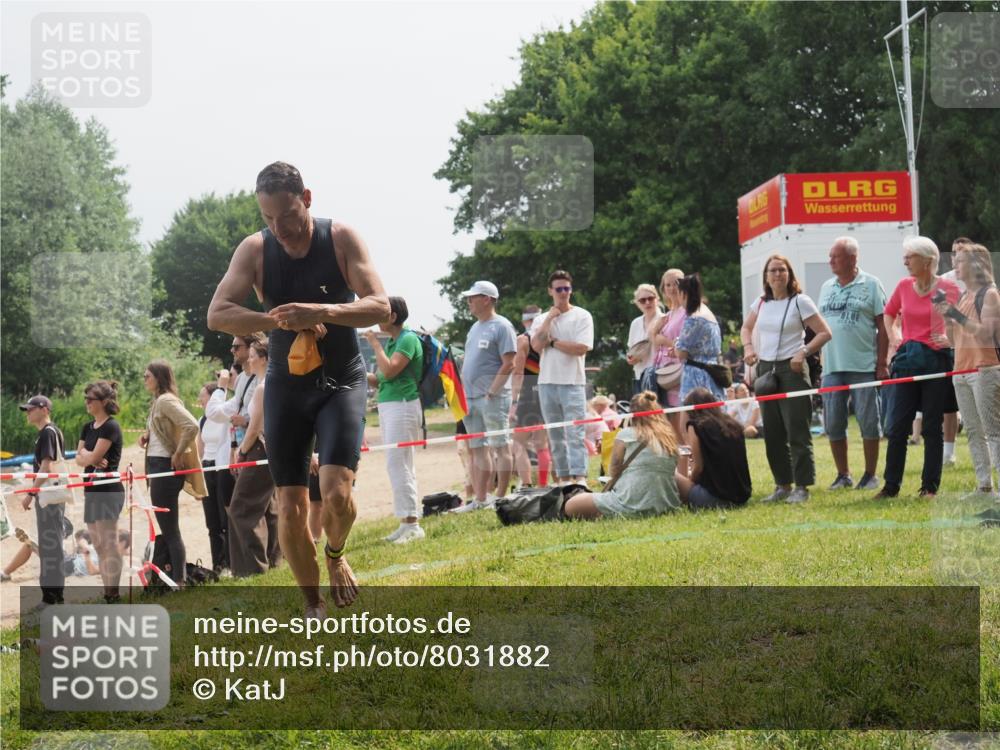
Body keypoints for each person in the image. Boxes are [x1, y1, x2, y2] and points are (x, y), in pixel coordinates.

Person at [208, 161, 390, 615]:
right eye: (268, 218)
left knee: (336, 493)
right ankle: (313, 603)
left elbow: (378, 306)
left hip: (340, 380)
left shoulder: (341, 238)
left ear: (307, 198)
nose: (279, 228)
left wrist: (319, 311)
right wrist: (275, 320)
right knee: (288, 503)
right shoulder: (255, 250)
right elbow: (219, 313)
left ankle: (335, 554)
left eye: (287, 215)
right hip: (288, 387)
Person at [741, 254, 832, 503]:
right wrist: (749, 348)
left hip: (792, 370)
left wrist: (802, 352)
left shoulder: (800, 301)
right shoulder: (760, 303)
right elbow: (746, 327)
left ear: (790, 274)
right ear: (766, 277)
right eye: (772, 271)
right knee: (772, 431)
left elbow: (825, 333)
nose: (777, 274)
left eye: (782, 270)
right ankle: (782, 485)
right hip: (766, 371)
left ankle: (802, 487)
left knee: (797, 431)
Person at [877, 236, 963, 498]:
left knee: (931, 427)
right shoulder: (904, 286)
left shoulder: (946, 289)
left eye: (910, 256)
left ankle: (929, 488)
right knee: (898, 426)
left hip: (935, 362)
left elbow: (963, 321)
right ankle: (891, 487)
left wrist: (951, 339)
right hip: (907, 362)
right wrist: (894, 337)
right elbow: (888, 313)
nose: (905, 261)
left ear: (928, 261)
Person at [816, 237, 889, 491]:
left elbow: (884, 326)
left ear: (852, 259)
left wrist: (882, 362)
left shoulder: (871, 284)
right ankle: (843, 475)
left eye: (836, 256)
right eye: (830, 256)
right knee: (833, 422)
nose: (831, 261)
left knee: (869, 421)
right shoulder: (826, 287)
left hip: (863, 366)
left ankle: (870, 475)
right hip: (832, 367)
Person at [937, 242, 1000, 493]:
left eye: (960, 261)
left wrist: (956, 315)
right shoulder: (964, 296)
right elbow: (953, 341)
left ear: (976, 265)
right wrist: (947, 318)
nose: (954, 265)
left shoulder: (990, 294)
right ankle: (984, 486)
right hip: (961, 371)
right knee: (974, 432)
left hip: (984, 370)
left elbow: (986, 335)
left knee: (993, 432)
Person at [362, 296, 426, 541]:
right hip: (390, 405)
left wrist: (374, 344)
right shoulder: (393, 342)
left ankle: (412, 524)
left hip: (403, 404)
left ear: (393, 317)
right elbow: (379, 379)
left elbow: (390, 370)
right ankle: (405, 520)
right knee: (396, 463)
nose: (377, 320)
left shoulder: (408, 339)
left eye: (382, 314)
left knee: (399, 463)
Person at [139, 360, 207, 587]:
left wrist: (178, 453)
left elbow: (191, 425)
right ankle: (178, 577)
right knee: (169, 528)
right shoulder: (159, 401)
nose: (144, 379)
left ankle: (180, 579)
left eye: (147, 376)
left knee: (170, 529)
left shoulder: (165, 400)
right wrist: (149, 436)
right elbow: (166, 427)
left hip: (164, 468)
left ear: (159, 377)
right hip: (158, 466)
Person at [563, 391, 681, 519]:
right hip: (667, 505)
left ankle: (605, 512)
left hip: (629, 503)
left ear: (631, 414)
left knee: (571, 505)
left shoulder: (626, 434)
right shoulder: (669, 437)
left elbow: (613, 471)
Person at [455, 281, 517, 510]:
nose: (469, 301)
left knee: (501, 446)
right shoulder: (474, 328)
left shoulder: (502, 326)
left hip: (492, 397)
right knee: (478, 448)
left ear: (487, 299)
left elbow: (509, 363)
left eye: (473, 297)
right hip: (470, 397)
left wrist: (493, 390)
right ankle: (481, 499)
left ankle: (500, 497)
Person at [531, 270, 595, 486]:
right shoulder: (541, 319)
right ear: (550, 291)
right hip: (547, 383)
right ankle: (564, 480)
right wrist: (550, 317)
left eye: (567, 288)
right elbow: (536, 345)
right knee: (555, 436)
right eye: (558, 289)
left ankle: (580, 479)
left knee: (575, 433)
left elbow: (581, 348)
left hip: (573, 383)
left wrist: (554, 342)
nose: (563, 293)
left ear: (571, 290)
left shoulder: (582, 315)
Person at [229, 337, 282, 576]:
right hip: (269, 448)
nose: (248, 360)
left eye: (252, 356)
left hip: (259, 447)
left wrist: (241, 451)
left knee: (242, 507)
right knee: (269, 507)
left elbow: (255, 426)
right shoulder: (269, 383)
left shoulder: (263, 387)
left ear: (264, 358)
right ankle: (273, 561)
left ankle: (253, 568)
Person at [74, 380, 126, 602]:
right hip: (91, 490)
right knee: (97, 544)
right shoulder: (88, 427)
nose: (86, 402)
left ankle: (112, 593)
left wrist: (88, 455)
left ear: (104, 402)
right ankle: (108, 591)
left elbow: (92, 457)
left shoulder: (111, 426)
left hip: (108, 489)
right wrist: (88, 455)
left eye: (90, 399)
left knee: (108, 543)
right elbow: (79, 459)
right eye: (85, 398)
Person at [17, 395, 66, 605]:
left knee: (50, 546)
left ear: (44, 409)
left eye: (31, 409)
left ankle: (52, 598)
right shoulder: (47, 433)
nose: (28, 412)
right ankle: (52, 596)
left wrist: (31, 493)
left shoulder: (48, 432)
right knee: (50, 546)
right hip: (49, 497)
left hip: (49, 497)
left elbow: (46, 467)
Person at [675, 388, 752, 508]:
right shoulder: (733, 424)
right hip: (742, 496)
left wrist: (690, 481)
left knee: (673, 476)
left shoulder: (696, 426)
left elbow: (698, 468)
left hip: (715, 498)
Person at [510, 305, 552, 489]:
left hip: (528, 393)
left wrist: (513, 402)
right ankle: (543, 485)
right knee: (542, 445)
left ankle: (527, 485)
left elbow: (518, 372)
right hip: (546, 390)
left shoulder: (523, 340)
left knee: (519, 444)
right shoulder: (548, 337)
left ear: (524, 320)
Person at [674, 274, 725, 402]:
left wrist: (676, 344)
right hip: (713, 373)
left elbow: (681, 353)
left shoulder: (693, 318)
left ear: (683, 294)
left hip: (696, 378)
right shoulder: (707, 312)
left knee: (690, 419)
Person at [196, 382, 230, 573]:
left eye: (203, 396)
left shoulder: (225, 417)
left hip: (222, 468)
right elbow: (199, 450)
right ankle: (218, 564)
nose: (201, 400)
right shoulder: (202, 420)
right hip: (207, 468)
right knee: (212, 522)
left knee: (225, 520)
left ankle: (229, 563)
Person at [648, 269, 686, 432]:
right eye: (668, 285)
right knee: (670, 421)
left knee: (681, 419)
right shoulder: (668, 315)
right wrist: (656, 333)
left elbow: (684, 343)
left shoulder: (687, 311)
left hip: (679, 371)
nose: (672, 288)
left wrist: (663, 339)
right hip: (664, 372)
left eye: (676, 283)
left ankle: (688, 455)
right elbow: (654, 340)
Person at [626, 284, 662, 394]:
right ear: (637, 303)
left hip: (660, 376)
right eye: (642, 300)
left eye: (650, 298)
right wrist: (631, 359)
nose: (647, 302)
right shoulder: (635, 323)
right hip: (639, 376)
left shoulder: (665, 319)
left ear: (657, 299)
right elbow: (631, 349)